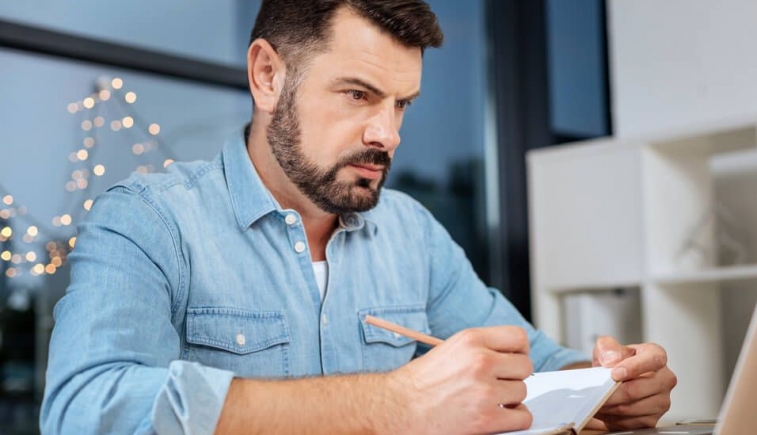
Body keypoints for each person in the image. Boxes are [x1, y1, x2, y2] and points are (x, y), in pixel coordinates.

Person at [41, 1, 677, 434]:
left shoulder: (412, 233)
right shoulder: (151, 220)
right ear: (267, 76)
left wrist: (605, 386)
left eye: (402, 104)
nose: (388, 133)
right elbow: (84, 410)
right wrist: (395, 403)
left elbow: (535, 366)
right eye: (358, 95)